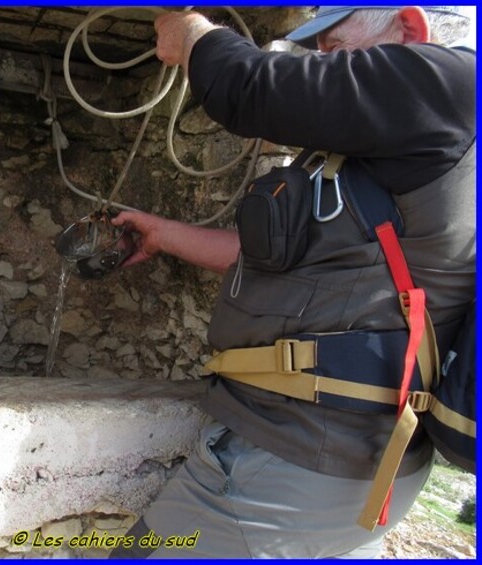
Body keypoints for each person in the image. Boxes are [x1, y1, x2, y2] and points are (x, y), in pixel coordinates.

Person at [108, 6, 475, 559]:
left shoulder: (451, 83)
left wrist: (192, 34)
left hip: (295, 469)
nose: (324, 65)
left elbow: (250, 86)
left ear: (408, 29)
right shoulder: (391, 150)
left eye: (334, 48)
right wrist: (162, 235)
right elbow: (272, 257)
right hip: (329, 467)